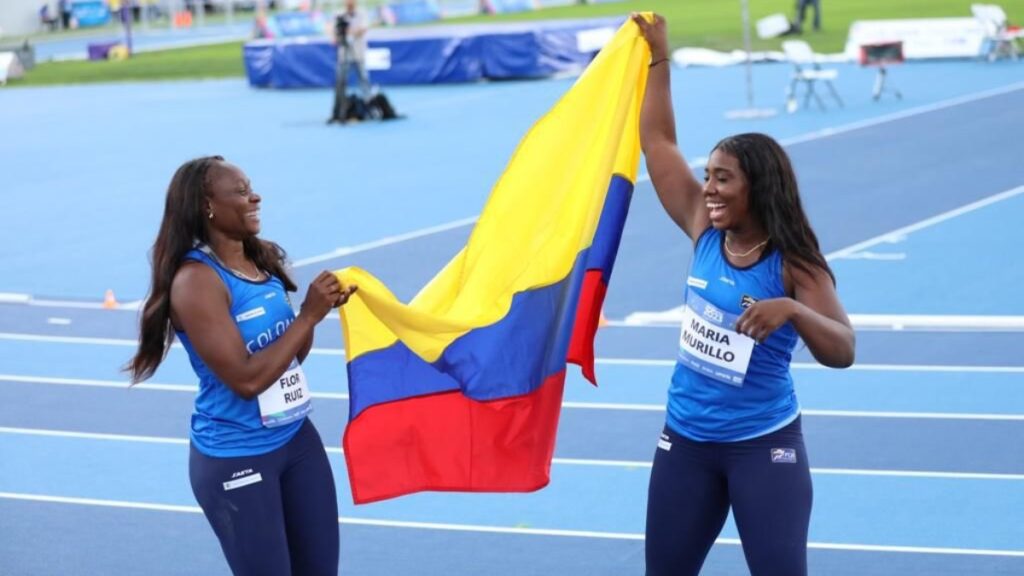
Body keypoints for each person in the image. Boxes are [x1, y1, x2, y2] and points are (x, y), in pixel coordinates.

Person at [631, 14, 855, 576]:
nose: (708, 187)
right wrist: (659, 57)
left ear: (758, 187)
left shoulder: (795, 264)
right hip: (684, 444)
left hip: (762, 448)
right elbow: (657, 142)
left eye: (723, 177)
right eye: (707, 175)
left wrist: (795, 310)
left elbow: (843, 350)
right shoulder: (703, 230)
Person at [126, 156, 357, 576]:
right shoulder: (196, 282)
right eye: (241, 190)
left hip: (296, 440)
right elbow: (247, 380)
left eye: (250, 186)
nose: (255, 196)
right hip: (237, 456)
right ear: (206, 206)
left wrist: (314, 315)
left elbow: (289, 358)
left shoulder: (262, 260)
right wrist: (308, 315)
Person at [327, 0, 372, 124]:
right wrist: (336, 35)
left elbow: (363, 29)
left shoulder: (362, 13)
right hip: (344, 55)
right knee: (340, 82)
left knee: (364, 80)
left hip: (358, 53)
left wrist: (348, 32)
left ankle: (369, 108)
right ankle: (338, 111)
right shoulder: (339, 15)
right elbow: (332, 30)